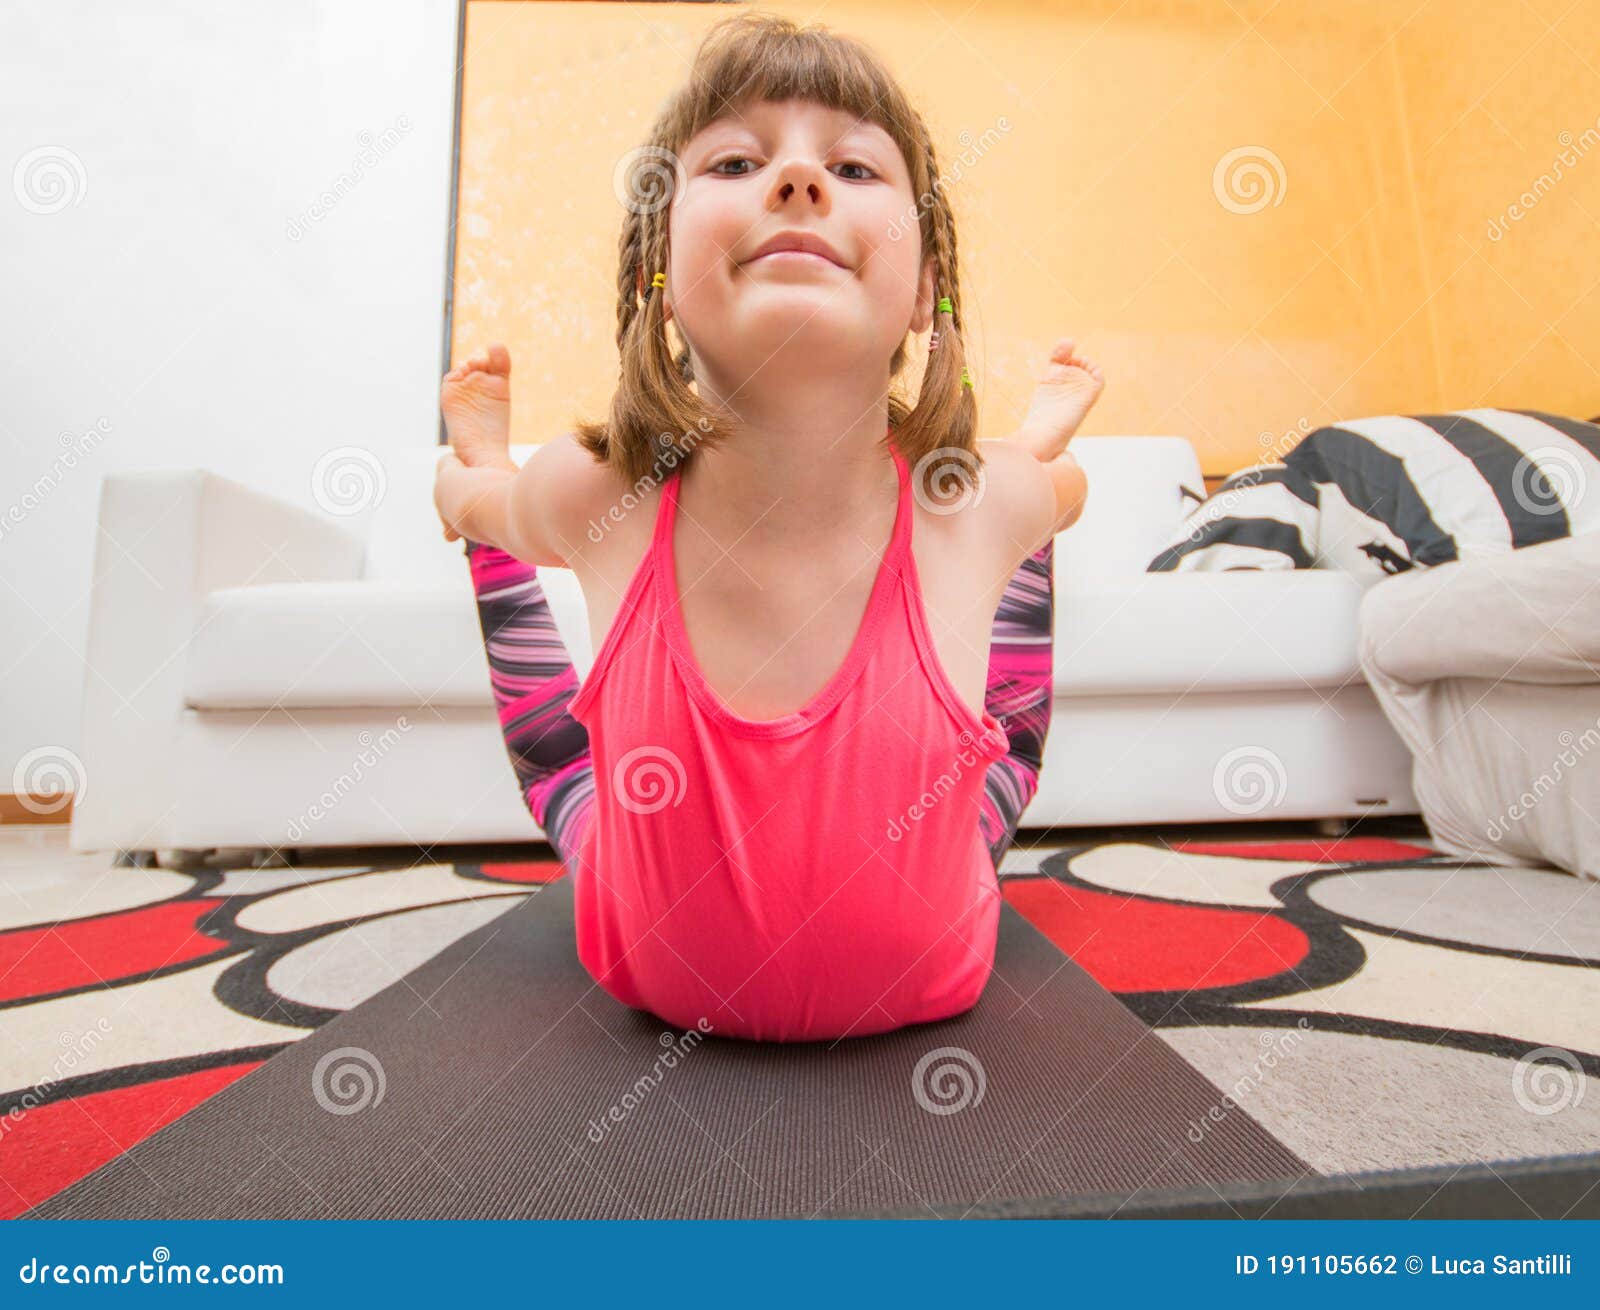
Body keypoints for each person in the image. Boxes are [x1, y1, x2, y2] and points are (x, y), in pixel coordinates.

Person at [433, 12, 1101, 1042]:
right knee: (564, 774)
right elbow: (486, 517)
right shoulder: (603, 491)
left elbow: (1066, 498)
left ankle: (1028, 433)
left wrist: (1038, 466)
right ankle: (485, 444)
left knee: (995, 736)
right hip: (634, 929)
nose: (797, 183)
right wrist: (470, 484)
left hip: (940, 926)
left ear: (925, 286)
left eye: (852, 167)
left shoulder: (972, 505)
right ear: (658, 260)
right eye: (739, 159)